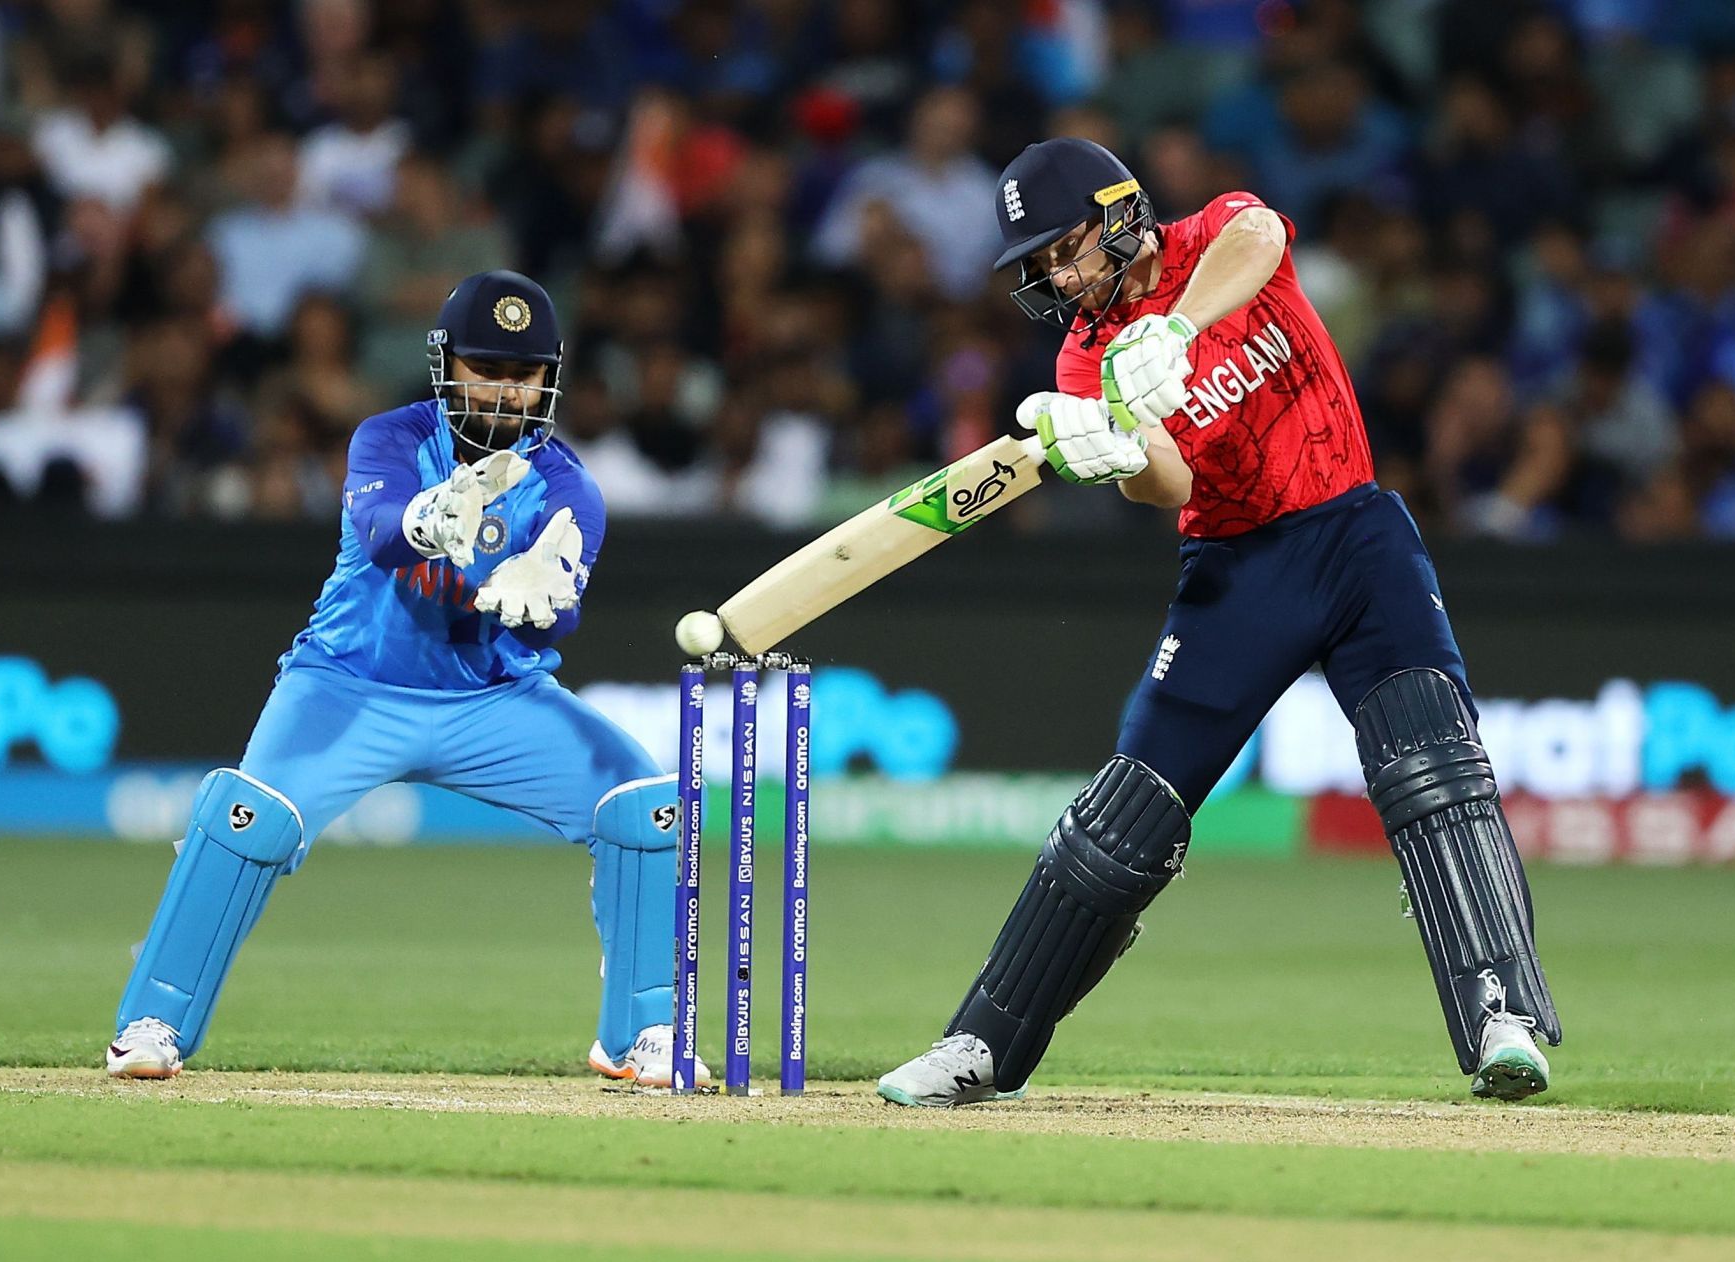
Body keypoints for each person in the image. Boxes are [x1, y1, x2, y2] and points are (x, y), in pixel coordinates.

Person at [877, 138, 1561, 1107]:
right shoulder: (1086, 358)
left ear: (1119, 214)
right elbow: (1174, 482)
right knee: (1121, 824)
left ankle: (1504, 1013)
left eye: (1067, 249)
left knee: (1432, 766)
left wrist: (1178, 330)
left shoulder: (1213, 233)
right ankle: (980, 1044)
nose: (1062, 279)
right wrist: (1113, 448)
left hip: (1356, 531)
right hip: (1238, 569)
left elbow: (1262, 237)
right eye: (1042, 268)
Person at [107, 270, 709, 1090]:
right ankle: (154, 1022)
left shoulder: (568, 487)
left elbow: (558, 621)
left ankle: (641, 1032)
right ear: (446, 365)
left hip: (492, 699)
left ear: (550, 378)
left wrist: (540, 601)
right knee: (248, 819)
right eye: (485, 369)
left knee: (646, 804)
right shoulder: (389, 439)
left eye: (522, 373)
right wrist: (433, 518)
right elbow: (385, 534)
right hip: (348, 684)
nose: (503, 391)